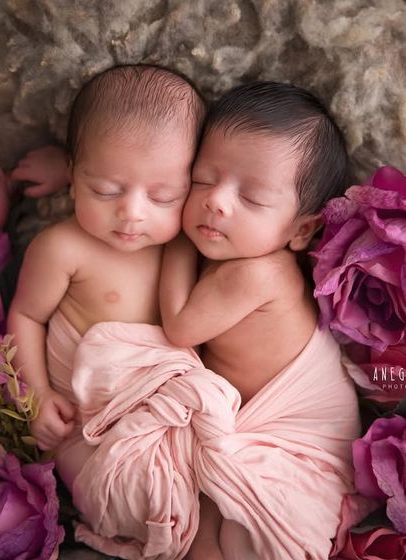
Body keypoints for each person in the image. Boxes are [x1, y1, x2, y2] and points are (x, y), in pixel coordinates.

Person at [158, 81, 359, 559]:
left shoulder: (258, 273)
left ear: (300, 230)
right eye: (203, 179)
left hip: (299, 444)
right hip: (253, 433)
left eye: (252, 197)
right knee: (203, 524)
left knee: (242, 526)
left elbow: (180, 328)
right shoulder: (239, 254)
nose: (216, 201)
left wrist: (173, 242)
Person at [8, 63, 205, 453]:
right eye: (104, 190)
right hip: (86, 422)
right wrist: (38, 396)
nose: (132, 212)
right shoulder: (62, 248)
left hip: (173, 411)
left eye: (163, 196)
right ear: (75, 180)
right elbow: (26, 317)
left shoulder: (186, 242)